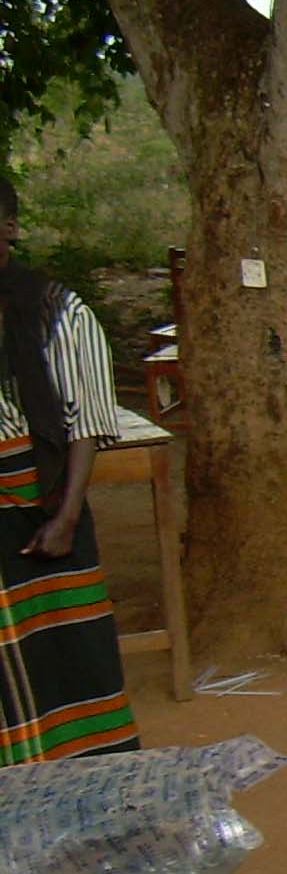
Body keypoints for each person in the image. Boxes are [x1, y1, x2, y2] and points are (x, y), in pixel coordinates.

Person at [0, 174, 139, 763]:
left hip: (40, 498)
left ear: (8, 232)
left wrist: (67, 513)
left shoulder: (59, 311)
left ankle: (88, 783)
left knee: (67, 650)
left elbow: (84, 422)